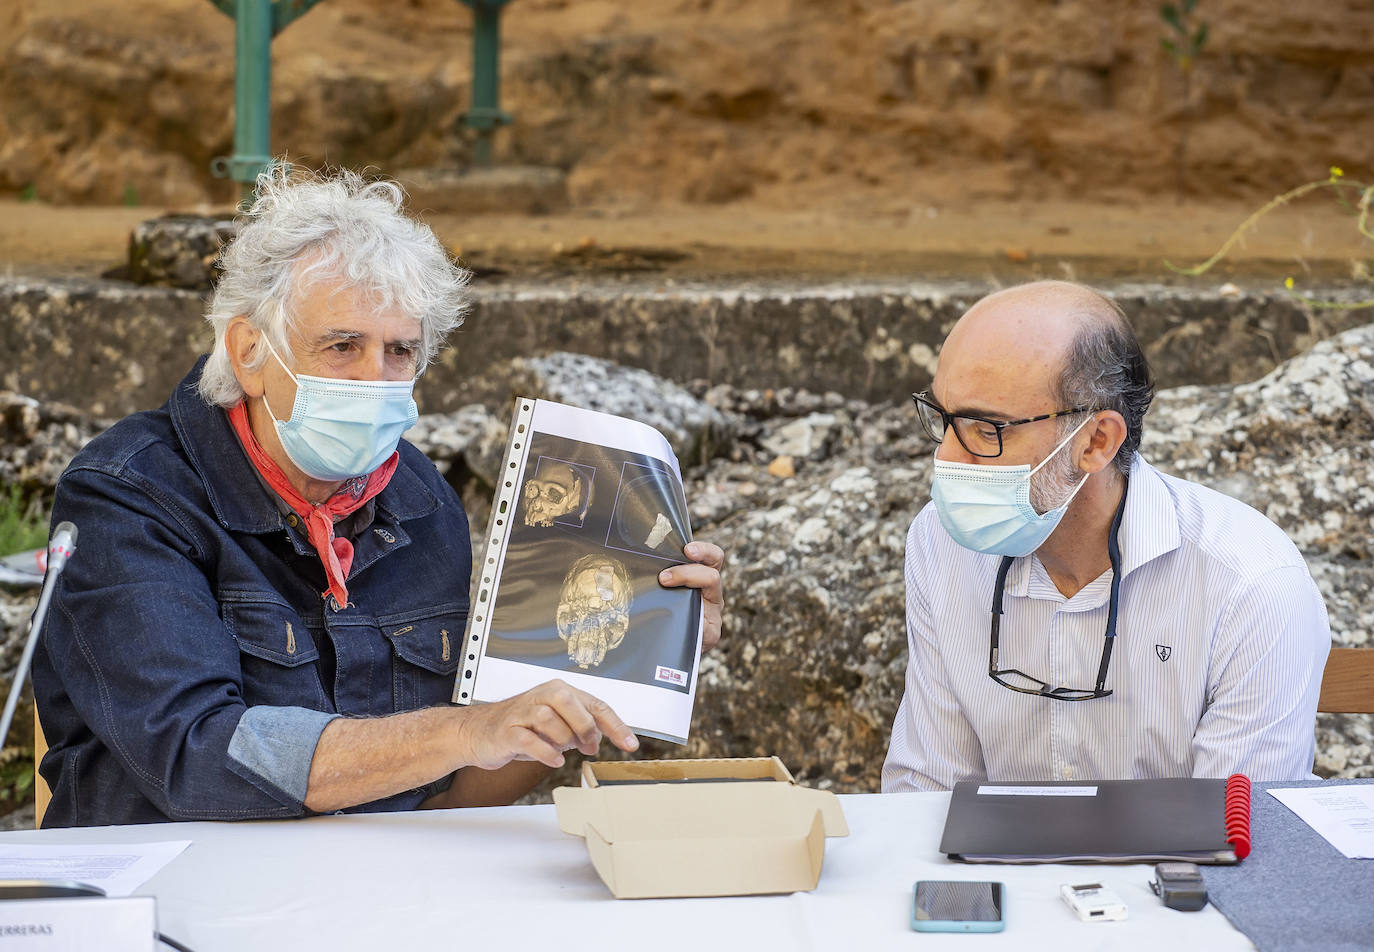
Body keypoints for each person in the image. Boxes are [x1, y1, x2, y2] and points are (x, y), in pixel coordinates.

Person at [32, 168, 724, 826]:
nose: (376, 380)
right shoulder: (128, 495)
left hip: (368, 896)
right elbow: (195, 753)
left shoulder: (417, 496)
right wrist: (464, 729)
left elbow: (446, 800)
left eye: (400, 352)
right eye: (342, 346)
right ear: (248, 351)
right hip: (175, 892)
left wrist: (609, 670)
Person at [882, 281, 1329, 792]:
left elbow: (1237, 832)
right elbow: (927, 790)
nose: (947, 460)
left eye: (988, 431)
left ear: (1096, 441)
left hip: (1177, 872)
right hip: (996, 868)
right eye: (943, 419)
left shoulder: (1251, 585)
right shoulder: (940, 544)